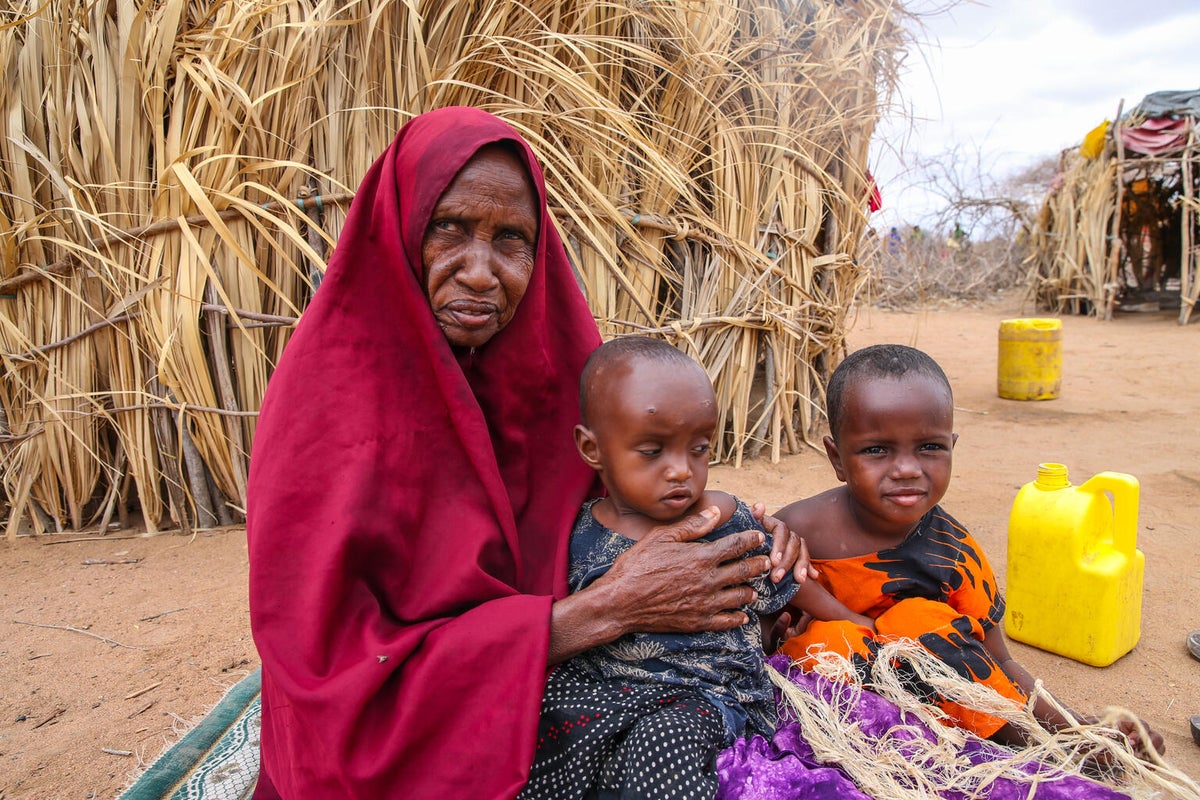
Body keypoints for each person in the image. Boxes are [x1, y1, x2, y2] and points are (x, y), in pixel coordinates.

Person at [245, 107, 809, 799]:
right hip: (402, 724)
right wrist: (607, 609)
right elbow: (327, 673)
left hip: (564, 687)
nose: (480, 272)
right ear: (398, 226)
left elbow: (625, 499)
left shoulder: (552, 376)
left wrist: (740, 534)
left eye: (510, 238)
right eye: (449, 228)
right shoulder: (327, 405)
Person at [772, 344, 1164, 757]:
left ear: (952, 446)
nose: (906, 468)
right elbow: (756, 615)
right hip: (833, 713)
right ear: (837, 457)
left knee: (918, 619)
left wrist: (1075, 725)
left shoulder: (954, 555)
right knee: (833, 638)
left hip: (936, 718)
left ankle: (1048, 749)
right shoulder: (800, 529)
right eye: (876, 450)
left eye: (929, 447)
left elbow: (999, 665)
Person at [521, 337, 810, 799]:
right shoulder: (575, 533)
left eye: (698, 448)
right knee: (544, 720)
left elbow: (782, 578)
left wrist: (798, 590)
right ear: (592, 448)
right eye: (653, 451)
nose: (681, 470)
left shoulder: (720, 518)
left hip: (705, 695)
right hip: (605, 691)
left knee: (663, 742)